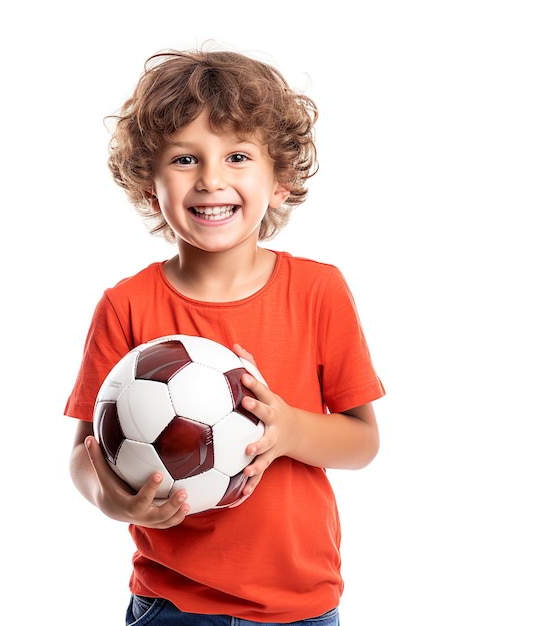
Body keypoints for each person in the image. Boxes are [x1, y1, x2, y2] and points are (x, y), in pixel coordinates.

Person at [65, 47, 385, 626]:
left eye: (237, 156)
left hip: (301, 606)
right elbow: (86, 452)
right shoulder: (126, 305)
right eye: (185, 159)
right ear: (148, 184)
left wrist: (290, 430)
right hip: (172, 602)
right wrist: (109, 497)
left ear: (280, 181)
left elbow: (362, 442)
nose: (212, 179)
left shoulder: (319, 291)